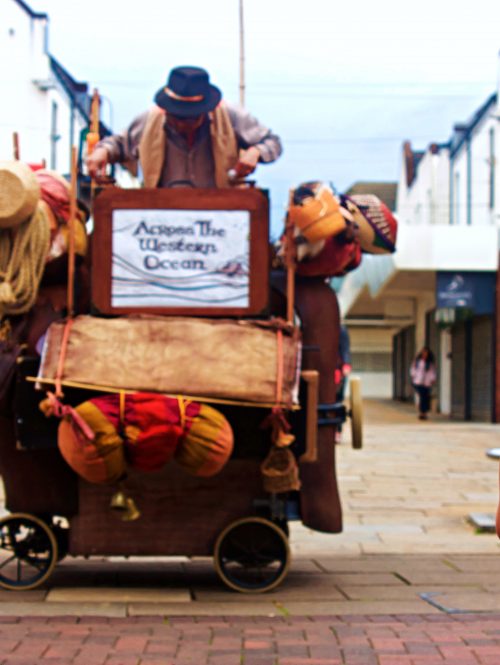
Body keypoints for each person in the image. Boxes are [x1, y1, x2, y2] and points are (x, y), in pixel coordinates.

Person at [86, 66, 282, 187]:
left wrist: (256, 152)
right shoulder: (150, 120)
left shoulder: (231, 117)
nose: (181, 124)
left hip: (220, 217)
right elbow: (120, 145)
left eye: (190, 118)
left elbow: (272, 143)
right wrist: (102, 152)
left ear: (205, 111)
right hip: (162, 218)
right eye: (176, 117)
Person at [410, 346, 437, 420]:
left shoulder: (430, 362)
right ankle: (422, 413)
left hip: (427, 382)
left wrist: (433, 379)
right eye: (423, 353)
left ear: (428, 354)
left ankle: (424, 413)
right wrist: (413, 376)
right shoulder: (417, 361)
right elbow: (413, 369)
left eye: (426, 353)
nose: (424, 354)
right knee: (422, 397)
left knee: (425, 397)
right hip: (418, 381)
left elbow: (432, 371)